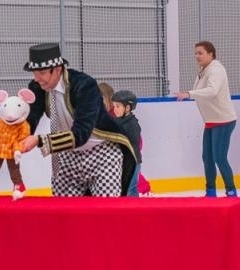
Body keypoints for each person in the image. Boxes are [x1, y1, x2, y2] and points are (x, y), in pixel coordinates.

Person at [17, 43, 137, 197]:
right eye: (34, 72)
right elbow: (31, 118)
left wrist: (39, 141)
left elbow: (80, 134)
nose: (37, 78)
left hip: (102, 155)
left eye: (42, 72)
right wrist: (15, 137)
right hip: (68, 155)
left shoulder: (85, 85)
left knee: (104, 213)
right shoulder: (37, 87)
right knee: (63, 214)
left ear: (58, 69)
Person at [177, 40, 237, 197]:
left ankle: (231, 191)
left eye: (200, 53)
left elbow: (212, 90)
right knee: (207, 157)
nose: (197, 56)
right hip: (211, 121)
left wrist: (189, 94)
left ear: (211, 54)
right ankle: (210, 191)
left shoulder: (216, 69)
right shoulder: (204, 70)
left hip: (223, 120)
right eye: (196, 53)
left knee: (219, 157)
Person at [110, 89, 144, 197]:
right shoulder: (118, 121)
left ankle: (135, 212)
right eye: (114, 106)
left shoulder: (132, 124)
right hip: (122, 163)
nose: (114, 109)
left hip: (132, 163)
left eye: (118, 106)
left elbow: (131, 145)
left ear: (128, 108)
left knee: (130, 189)